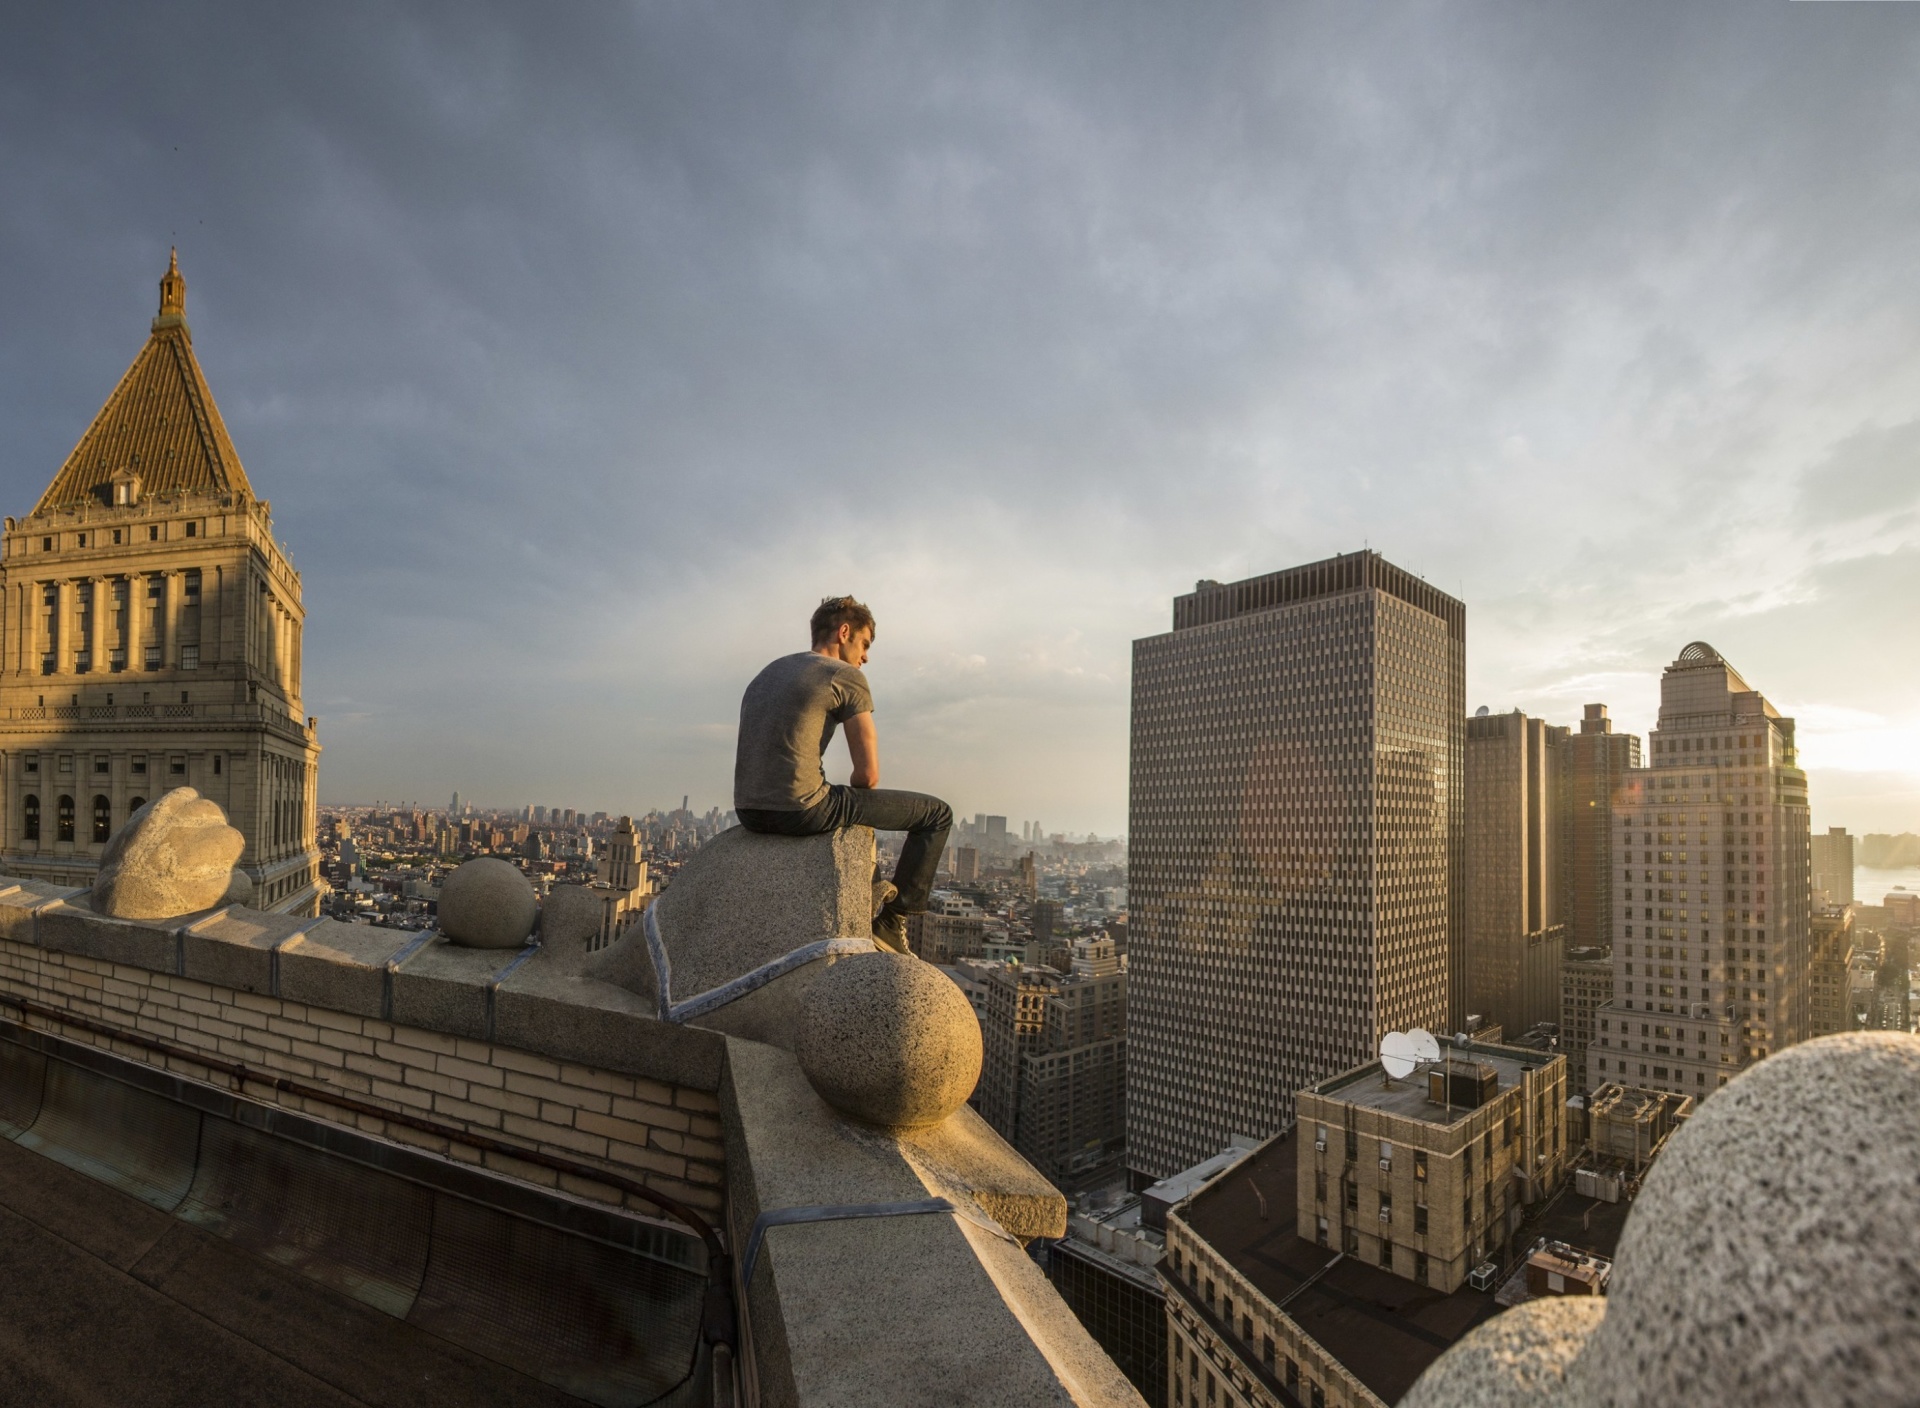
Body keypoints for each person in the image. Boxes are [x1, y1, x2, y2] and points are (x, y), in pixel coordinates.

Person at [734, 596, 951, 953]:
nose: (865, 656)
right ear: (844, 632)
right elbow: (867, 776)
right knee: (938, 815)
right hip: (801, 809)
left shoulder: (768, 672)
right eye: (864, 644)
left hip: (748, 811)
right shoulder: (845, 675)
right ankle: (892, 921)